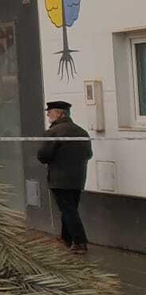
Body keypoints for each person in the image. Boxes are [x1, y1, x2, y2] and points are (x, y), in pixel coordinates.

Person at [37, 99, 92, 253]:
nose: (48, 115)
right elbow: (89, 154)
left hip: (59, 179)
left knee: (68, 210)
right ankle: (66, 238)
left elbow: (43, 156)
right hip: (79, 178)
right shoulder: (82, 132)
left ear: (59, 114)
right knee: (70, 208)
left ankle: (80, 243)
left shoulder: (54, 132)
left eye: (50, 112)